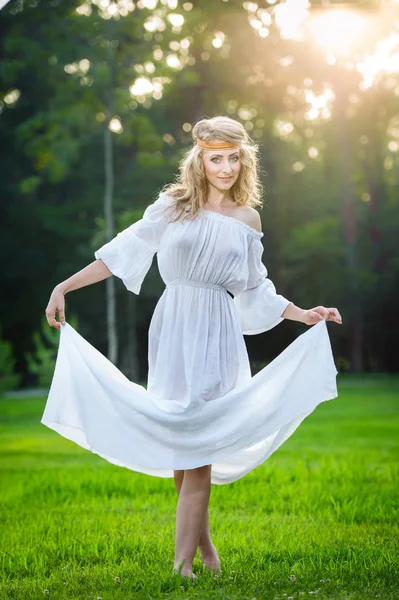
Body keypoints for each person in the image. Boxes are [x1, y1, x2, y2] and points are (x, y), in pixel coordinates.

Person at [43, 115, 342, 579]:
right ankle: (207, 554)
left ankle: (182, 566)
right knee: (184, 446)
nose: (225, 168)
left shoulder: (248, 219)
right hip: (174, 327)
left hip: (217, 332)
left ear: (244, 160)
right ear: (199, 160)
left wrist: (304, 314)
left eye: (233, 158)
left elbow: (254, 287)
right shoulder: (173, 205)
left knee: (198, 444)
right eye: (215, 158)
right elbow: (122, 250)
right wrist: (64, 286)